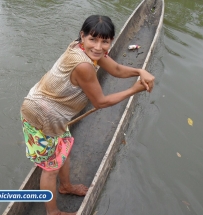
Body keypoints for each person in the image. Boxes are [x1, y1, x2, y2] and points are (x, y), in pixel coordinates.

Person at [20, 15, 155, 215]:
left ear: (111, 40)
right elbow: (100, 102)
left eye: (105, 41)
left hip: (56, 114)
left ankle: (65, 186)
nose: (99, 47)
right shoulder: (83, 65)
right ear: (82, 36)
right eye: (93, 39)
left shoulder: (86, 49)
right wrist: (133, 90)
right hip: (42, 115)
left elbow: (116, 69)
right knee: (50, 168)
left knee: (63, 148)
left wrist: (139, 71)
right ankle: (53, 212)